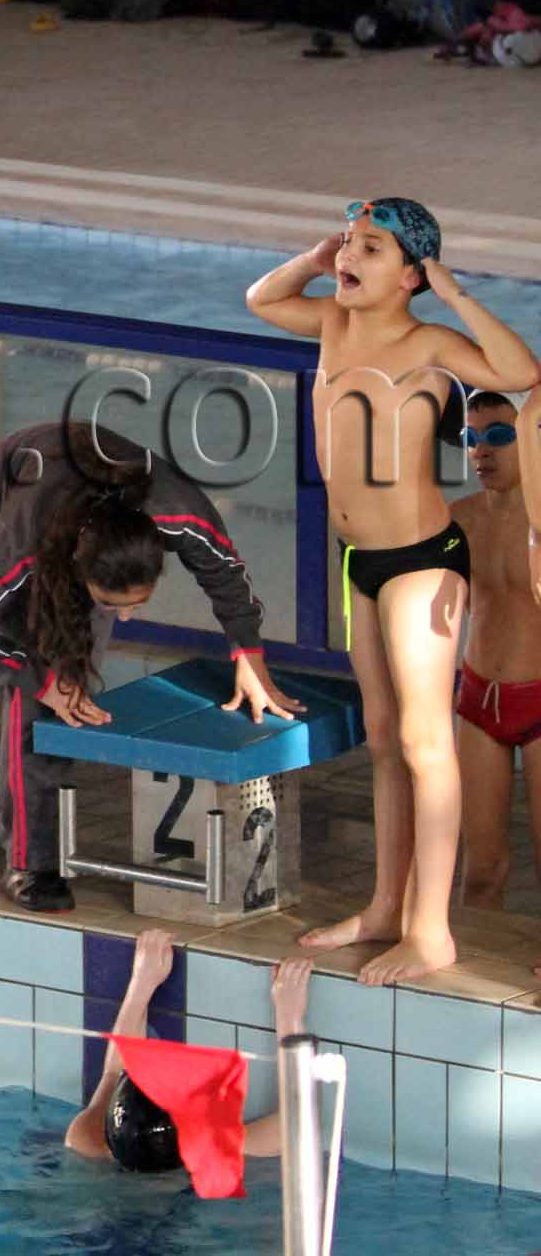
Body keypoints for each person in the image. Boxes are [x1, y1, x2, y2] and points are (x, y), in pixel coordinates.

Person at [247, 200, 539, 983]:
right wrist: (310, 261)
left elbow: (520, 373)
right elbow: (262, 301)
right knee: (384, 740)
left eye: (369, 248)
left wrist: (455, 294)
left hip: (419, 560)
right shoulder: (335, 325)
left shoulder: (428, 341)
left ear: (409, 274)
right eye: (348, 242)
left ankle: (432, 929)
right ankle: (385, 906)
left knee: (422, 740)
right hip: (361, 562)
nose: (349, 254)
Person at [0, 422, 295, 911]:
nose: (123, 617)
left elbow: (224, 571)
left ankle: (29, 822)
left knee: (70, 685)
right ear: (81, 574)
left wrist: (247, 653)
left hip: (92, 515)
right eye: (110, 603)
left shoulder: (178, 513)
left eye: (137, 604)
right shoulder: (22, 538)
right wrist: (40, 681)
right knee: (40, 694)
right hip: (14, 481)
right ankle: (29, 860)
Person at [65, 930, 301, 1169]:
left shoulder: (86, 1140)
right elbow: (295, 1123)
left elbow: (114, 1071)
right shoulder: (207, 1149)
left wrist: (142, 981)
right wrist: (289, 1013)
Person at [450, 391, 541, 910]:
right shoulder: (456, 520)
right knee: (482, 870)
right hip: (480, 700)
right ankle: (461, 986)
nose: (482, 451)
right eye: (471, 439)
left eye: (500, 436)